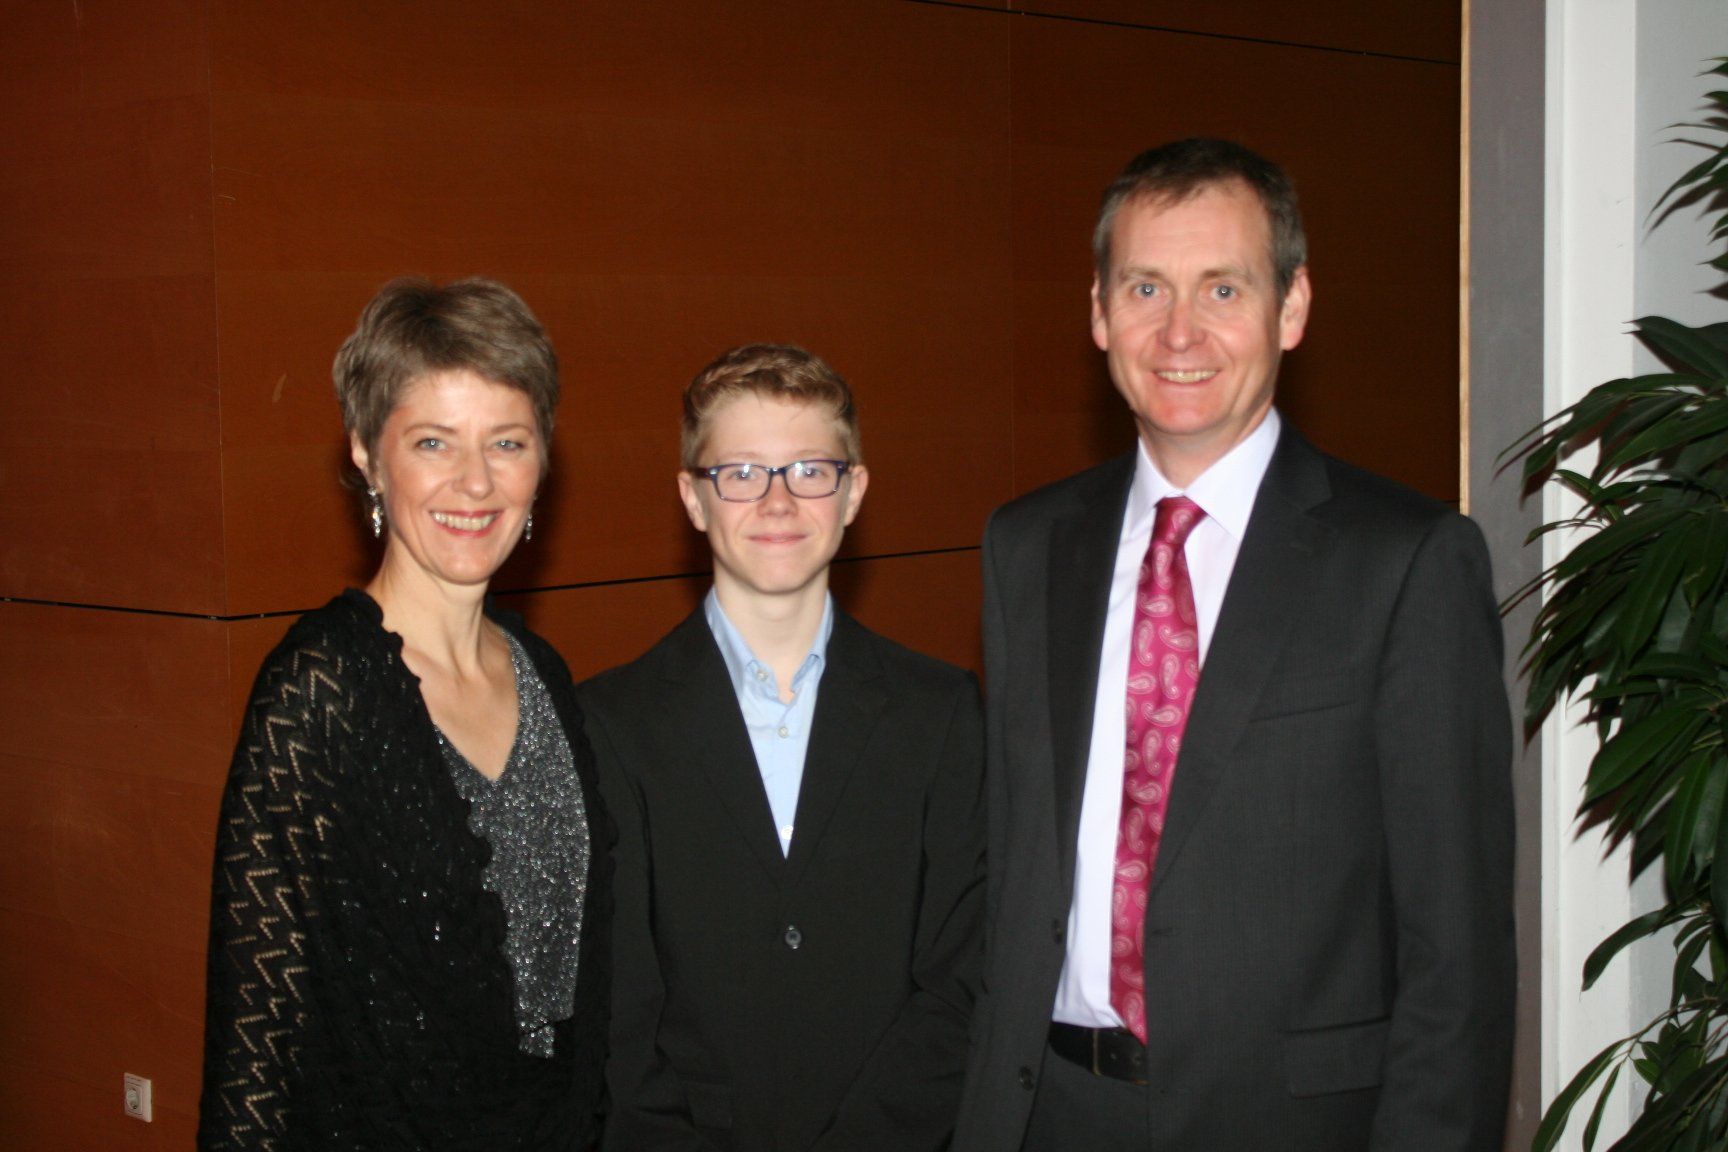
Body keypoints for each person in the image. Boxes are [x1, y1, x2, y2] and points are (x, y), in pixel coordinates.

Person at [953, 139, 1515, 1151]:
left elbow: (1457, 948)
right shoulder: (1026, 547)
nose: (1180, 331)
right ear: (1099, 312)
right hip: (1049, 1113)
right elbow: (1009, 868)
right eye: (1145, 288)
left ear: (1291, 308)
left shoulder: (1408, 561)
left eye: (1223, 288)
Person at [198, 277, 609, 1150]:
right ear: (367, 455)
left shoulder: (543, 674)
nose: (476, 481)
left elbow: (578, 999)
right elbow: (254, 1048)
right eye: (433, 442)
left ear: (542, 461)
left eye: (507, 442)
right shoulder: (320, 689)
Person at [579, 344, 984, 1152]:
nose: (777, 501)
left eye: (809, 470)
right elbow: (619, 1012)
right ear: (694, 499)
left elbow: (964, 980)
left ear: (853, 492)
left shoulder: (944, 714)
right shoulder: (610, 723)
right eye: (740, 473)